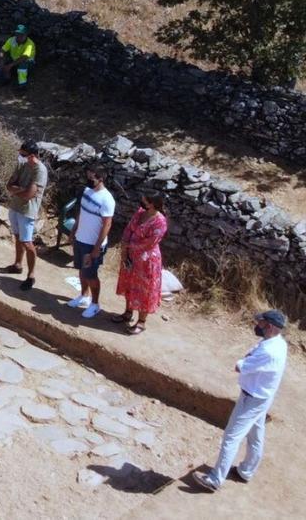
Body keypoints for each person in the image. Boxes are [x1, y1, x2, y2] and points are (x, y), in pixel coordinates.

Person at [191, 310, 289, 492]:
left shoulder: (268, 351)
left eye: (261, 322)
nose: (257, 325)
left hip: (251, 400)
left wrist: (244, 359)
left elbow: (240, 366)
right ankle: (246, 471)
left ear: (269, 326)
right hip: (263, 398)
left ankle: (215, 479)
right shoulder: (279, 344)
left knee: (231, 438)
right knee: (256, 436)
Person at [112, 192, 169, 334]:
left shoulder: (160, 222)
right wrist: (125, 244)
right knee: (129, 284)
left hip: (147, 260)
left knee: (145, 290)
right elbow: (129, 229)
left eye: (145, 200)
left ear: (152, 204)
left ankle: (141, 322)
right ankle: (127, 313)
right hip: (131, 256)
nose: (142, 202)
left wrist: (129, 245)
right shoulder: (140, 213)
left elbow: (150, 243)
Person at [67, 166, 115, 318]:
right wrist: (74, 231)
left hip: (92, 245)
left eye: (91, 178)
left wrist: (96, 248)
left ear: (100, 179)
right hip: (81, 239)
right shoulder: (87, 192)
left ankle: (95, 304)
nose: (88, 181)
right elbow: (81, 213)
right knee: (81, 271)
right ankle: (84, 296)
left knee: (91, 275)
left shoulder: (107, 199)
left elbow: (107, 225)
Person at [3, 141, 48, 290]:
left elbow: (29, 194)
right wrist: (20, 190)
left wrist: (17, 190)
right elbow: (9, 185)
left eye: (23, 154)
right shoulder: (22, 165)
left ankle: (31, 275)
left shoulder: (40, 171)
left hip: (27, 211)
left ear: (32, 156)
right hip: (16, 207)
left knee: (27, 242)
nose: (20, 156)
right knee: (17, 237)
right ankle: (17, 264)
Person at [0, 24, 36, 89]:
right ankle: (6, 79)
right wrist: (2, 61)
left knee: (22, 66)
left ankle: (22, 85)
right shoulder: (11, 40)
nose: (19, 36)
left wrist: (10, 65)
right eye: (17, 34)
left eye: (22, 34)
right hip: (15, 61)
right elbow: (2, 50)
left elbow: (24, 57)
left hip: (28, 63)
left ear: (26, 35)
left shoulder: (30, 44)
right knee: (1, 65)